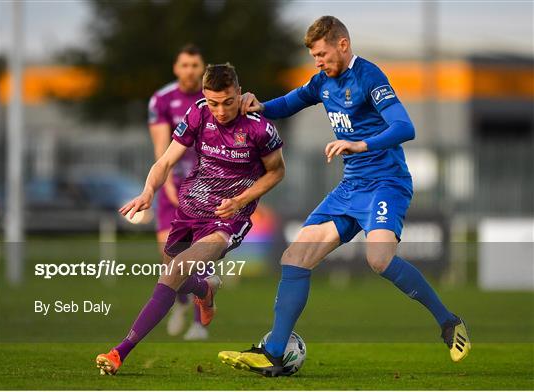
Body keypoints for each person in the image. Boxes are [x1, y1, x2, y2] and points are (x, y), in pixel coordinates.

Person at [218, 16, 471, 377]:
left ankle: (449, 322)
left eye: (321, 54)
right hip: (351, 188)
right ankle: (273, 352)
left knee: (379, 260)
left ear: (343, 44)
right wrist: (259, 105)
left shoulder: (369, 76)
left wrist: (360, 143)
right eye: (313, 56)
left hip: (386, 183)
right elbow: (289, 103)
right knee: (295, 257)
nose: (317, 62)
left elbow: (405, 127)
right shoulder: (322, 82)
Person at [96, 63, 285, 375]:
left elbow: (277, 171)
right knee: (175, 275)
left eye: (227, 102)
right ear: (204, 97)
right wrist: (148, 192)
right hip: (190, 209)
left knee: (174, 270)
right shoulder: (198, 114)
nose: (220, 111)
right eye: (213, 102)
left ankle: (119, 352)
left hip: (228, 217)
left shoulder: (259, 128)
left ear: (239, 93)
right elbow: (167, 160)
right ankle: (205, 289)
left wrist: (241, 200)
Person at [148, 44, 208, 340]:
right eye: (185, 65)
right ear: (176, 68)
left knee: (200, 254)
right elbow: (162, 148)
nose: (190, 71)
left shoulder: (213, 97)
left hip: (205, 186)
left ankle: (199, 324)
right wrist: (167, 180)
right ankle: (182, 303)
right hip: (173, 184)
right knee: (169, 256)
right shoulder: (161, 99)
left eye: (195, 65)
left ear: (202, 68)